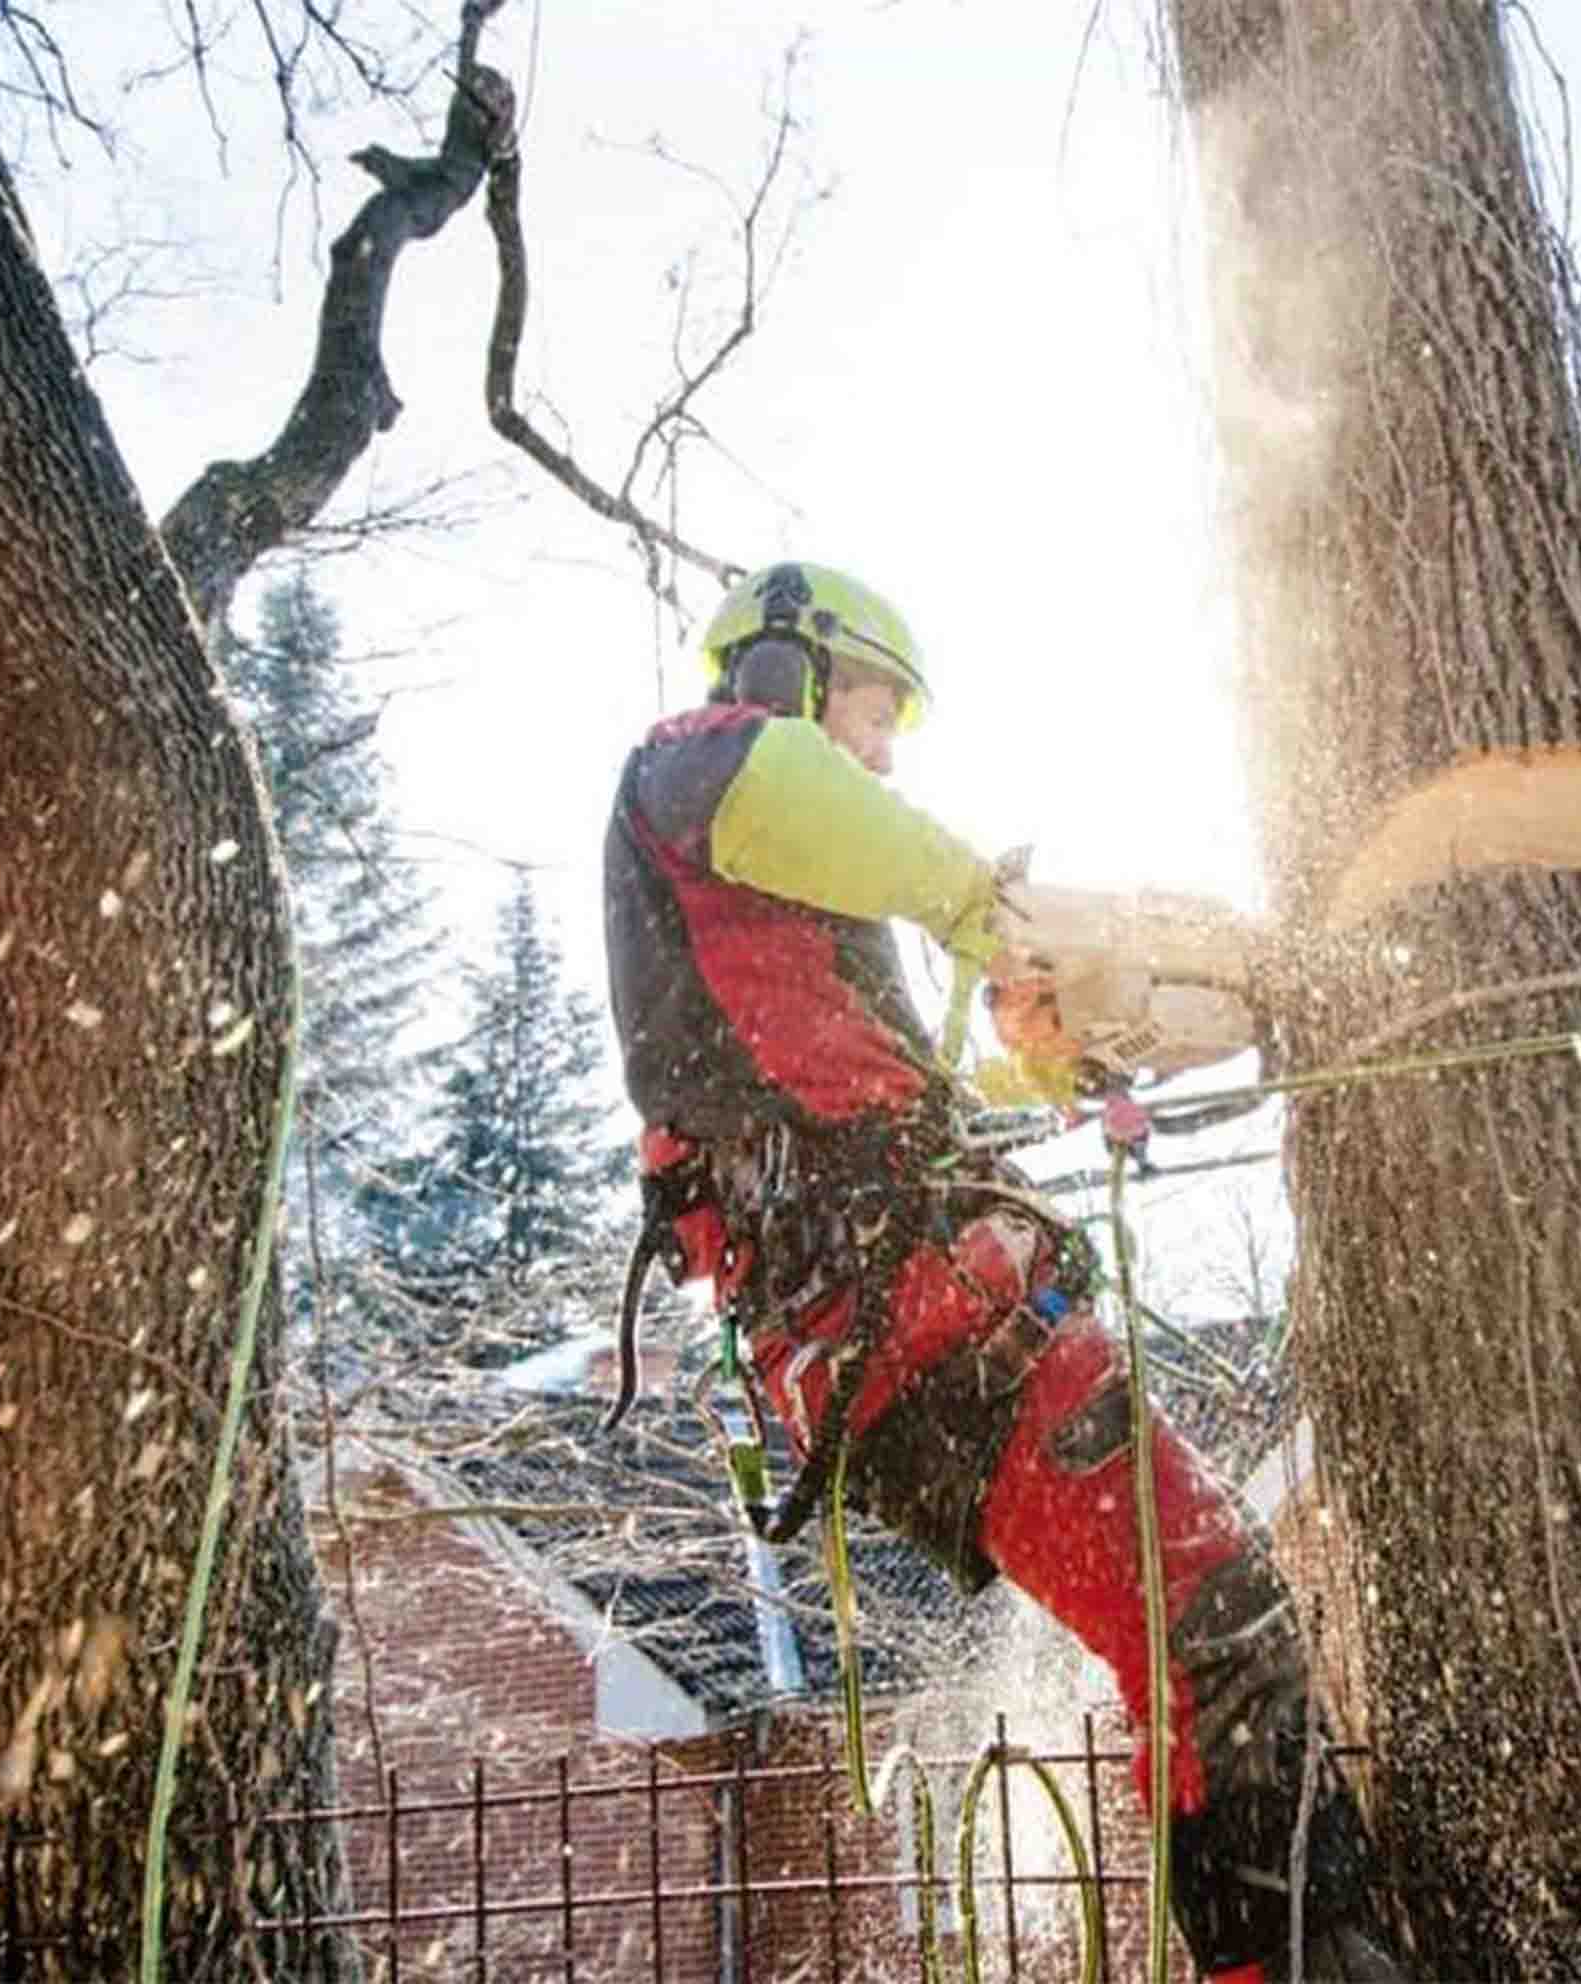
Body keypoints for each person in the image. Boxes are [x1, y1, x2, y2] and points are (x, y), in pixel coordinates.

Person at [601, 561, 1402, 1984]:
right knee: (1214, 1624)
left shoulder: (792, 929)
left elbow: (906, 1089)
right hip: (905, 1326)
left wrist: (1053, 1047)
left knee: (1202, 1632)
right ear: (787, 670)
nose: (885, 745)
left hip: (925, 1319)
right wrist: (993, 911)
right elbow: (837, 815)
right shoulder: (698, 768)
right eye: (873, 704)